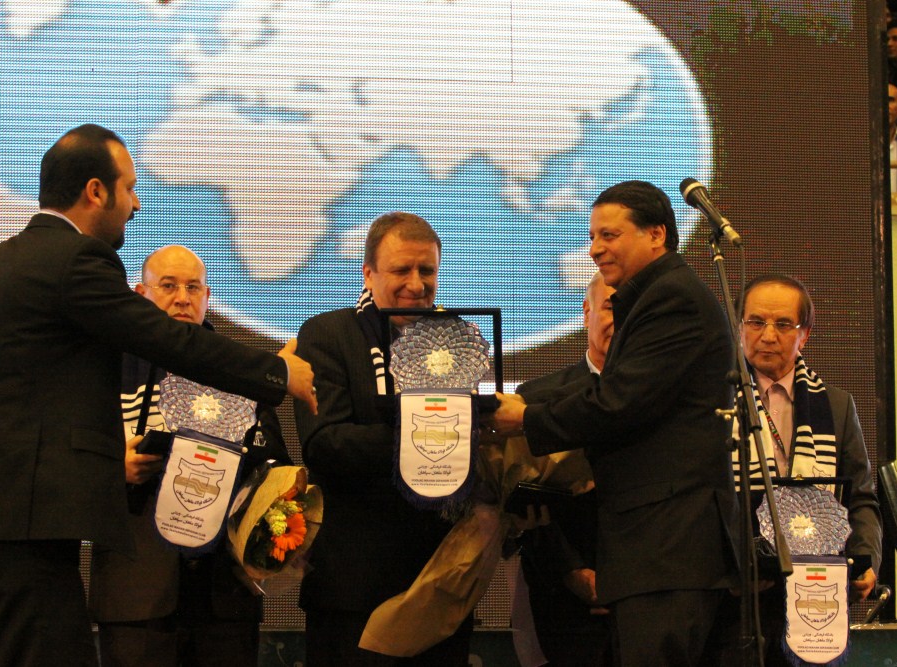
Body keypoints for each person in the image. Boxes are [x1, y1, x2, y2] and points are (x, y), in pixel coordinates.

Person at [0, 124, 317, 667]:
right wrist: (278, 372)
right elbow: (169, 340)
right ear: (96, 191)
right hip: (33, 532)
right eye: (130, 188)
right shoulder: (76, 260)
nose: (136, 205)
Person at [494, 180, 739, 667]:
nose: (594, 249)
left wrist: (526, 417)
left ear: (656, 234)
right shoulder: (654, 296)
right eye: (592, 237)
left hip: (668, 547)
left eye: (609, 235)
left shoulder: (671, 298)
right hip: (655, 549)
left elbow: (619, 402)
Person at [87, 245, 293, 667]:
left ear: (207, 297)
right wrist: (113, 469)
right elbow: (67, 462)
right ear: (141, 295)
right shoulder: (103, 366)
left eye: (193, 287)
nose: (182, 297)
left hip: (224, 597)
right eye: (168, 286)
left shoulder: (240, 367)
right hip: (136, 593)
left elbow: (276, 467)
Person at [293, 211, 472, 666]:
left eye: (427, 270)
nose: (417, 283)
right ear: (368, 274)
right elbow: (324, 444)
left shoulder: (459, 340)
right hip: (354, 588)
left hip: (439, 583)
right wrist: (425, 436)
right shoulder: (328, 334)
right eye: (401, 270)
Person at [722, 274, 882, 667]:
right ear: (739, 328)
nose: (768, 335)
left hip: (817, 597)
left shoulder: (837, 406)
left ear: (804, 335)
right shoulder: (716, 403)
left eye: (783, 324)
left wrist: (865, 560)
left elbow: (861, 498)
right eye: (756, 322)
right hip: (735, 601)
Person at [514, 271, 615, 667]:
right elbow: (520, 499)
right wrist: (572, 571)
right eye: (610, 307)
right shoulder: (535, 399)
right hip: (561, 602)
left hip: (648, 595)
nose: (620, 320)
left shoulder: (668, 399)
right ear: (586, 311)